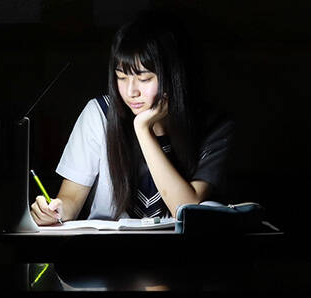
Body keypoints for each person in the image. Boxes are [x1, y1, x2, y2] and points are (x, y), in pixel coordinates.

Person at [29, 11, 232, 224]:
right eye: (122, 77)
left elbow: (184, 209)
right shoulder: (100, 114)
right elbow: (70, 199)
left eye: (144, 79)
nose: (131, 92)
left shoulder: (214, 126)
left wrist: (143, 130)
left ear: (173, 76)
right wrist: (55, 210)